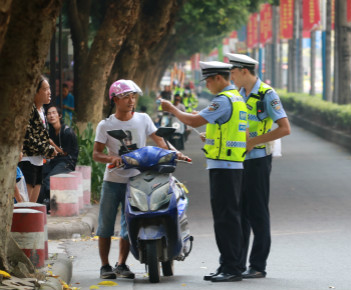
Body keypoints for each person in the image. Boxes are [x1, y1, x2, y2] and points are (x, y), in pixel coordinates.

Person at [160, 61, 248, 283]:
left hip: (224, 166)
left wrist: (172, 109)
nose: (207, 85)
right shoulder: (237, 98)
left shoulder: (223, 100)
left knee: (225, 219)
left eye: (208, 80)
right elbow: (230, 131)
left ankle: (231, 268)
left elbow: (194, 120)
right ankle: (230, 264)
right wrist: (209, 136)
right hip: (230, 164)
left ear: (219, 78)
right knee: (229, 218)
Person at [93, 79, 188, 280]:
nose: (131, 100)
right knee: (105, 225)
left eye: (133, 96)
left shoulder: (143, 119)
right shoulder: (106, 125)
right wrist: (112, 158)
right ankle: (104, 265)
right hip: (113, 181)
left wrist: (175, 153)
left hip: (137, 180)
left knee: (131, 224)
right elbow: (96, 154)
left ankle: (121, 264)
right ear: (115, 100)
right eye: (125, 96)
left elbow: (160, 141)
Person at [226, 53, 291, 279]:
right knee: (241, 211)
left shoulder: (267, 95)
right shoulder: (238, 95)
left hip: (259, 160)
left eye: (233, 73)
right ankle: (240, 263)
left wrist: (253, 142)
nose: (231, 77)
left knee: (257, 213)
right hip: (240, 160)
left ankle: (258, 264)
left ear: (245, 71)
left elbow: (284, 128)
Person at [19, 75, 57, 203]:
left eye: (49, 88)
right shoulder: (28, 110)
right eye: (45, 89)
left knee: (32, 205)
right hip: (27, 160)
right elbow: (27, 138)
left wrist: (49, 149)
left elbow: (42, 137)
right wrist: (48, 150)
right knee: (24, 205)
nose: (49, 92)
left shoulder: (42, 110)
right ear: (35, 92)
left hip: (39, 161)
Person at [38, 105, 79, 209]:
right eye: (48, 113)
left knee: (49, 179)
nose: (51, 115)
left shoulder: (67, 132)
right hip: (55, 161)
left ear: (59, 115)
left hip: (67, 162)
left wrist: (52, 144)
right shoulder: (50, 131)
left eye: (53, 113)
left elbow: (65, 153)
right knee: (39, 175)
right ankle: (42, 203)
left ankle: (51, 204)